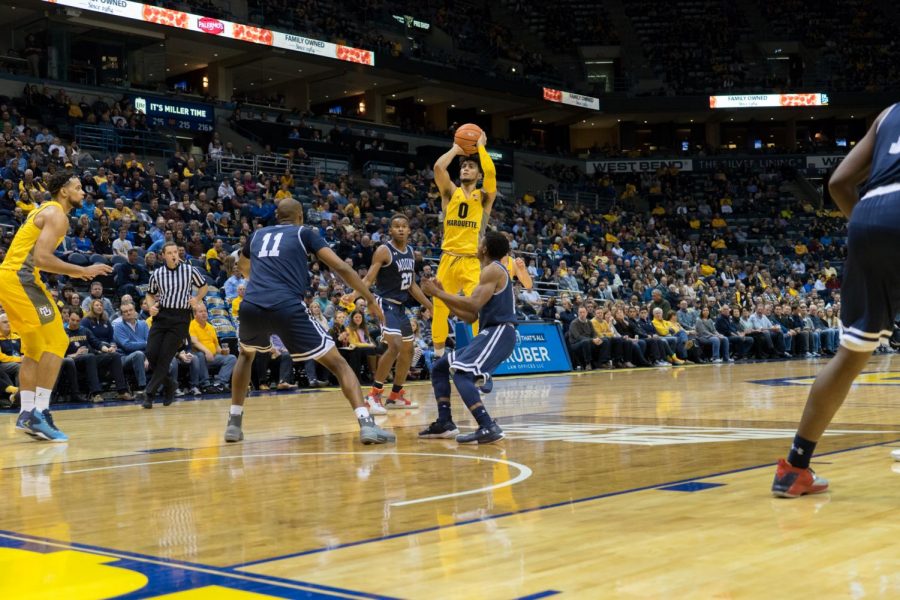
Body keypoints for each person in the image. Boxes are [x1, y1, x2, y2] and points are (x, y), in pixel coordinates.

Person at [773, 104, 900, 497]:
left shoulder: (888, 113)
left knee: (852, 352)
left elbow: (838, 182)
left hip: (870, 214)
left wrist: (869, 228)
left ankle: (794, 467)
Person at [223, 199, 393, 445]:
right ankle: (367, 425)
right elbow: (340, 268)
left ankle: (234, 424)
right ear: (300, 216)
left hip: (252, 306)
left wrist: (260, 277)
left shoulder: (258, 234)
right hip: (286, 307)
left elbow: (242, 265)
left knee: (246, 356)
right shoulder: (304, 233)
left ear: (277, 216)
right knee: (339, 364)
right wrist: (369, 298)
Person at [3, 170, 112, 441]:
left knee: (35, 349)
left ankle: (26, 413)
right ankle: (40, 412)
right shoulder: (57, 215)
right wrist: (81, 271)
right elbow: (41, 258)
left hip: (12, 278)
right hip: (22, 278)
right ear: (64, 191)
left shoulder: (45, 211)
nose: (83, 192)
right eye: (77, 187)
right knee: (58, 340)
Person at [418, 231, 516, 444]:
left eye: (480, 241)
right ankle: (445, 422)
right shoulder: (488, 271)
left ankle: (487, 425)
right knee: (440, 368)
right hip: (490, 332)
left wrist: (438, 294)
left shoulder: (492, 270)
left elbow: (472, 305)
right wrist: (442, 294)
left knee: (462, 374)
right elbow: (471, 317)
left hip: (499, 332)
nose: (477, 243)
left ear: (485, 249)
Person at [346, 214, 433, 413]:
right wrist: (353, 295)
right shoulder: (384, 250)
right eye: (396, 226)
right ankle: (373, 396)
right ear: (390, 231)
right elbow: (368, 279)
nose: (401, 229)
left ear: (410, 230)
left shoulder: (410, 252)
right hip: (385, 303)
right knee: (393, 346)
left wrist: (430, 305)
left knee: (409, 351)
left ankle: (396, 396)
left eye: (404, 226)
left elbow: (411, 285)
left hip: (402, 307)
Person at [431, 131, 496, 358]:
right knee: (440, 307)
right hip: (448, 257)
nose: (465, 169)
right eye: (463, 167)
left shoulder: (485, 197)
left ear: (478, 174)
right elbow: (439, 169)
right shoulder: (450, 192)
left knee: (478, 308)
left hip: (472, 261)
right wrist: (456, 149)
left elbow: (491, 173)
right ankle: (438, 358)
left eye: (470, 166)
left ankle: (478, 360)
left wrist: (481, 148)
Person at [142, 242, 208, 408]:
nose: (173, 255)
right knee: (151, 352)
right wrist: (151, 307)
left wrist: (197, 299)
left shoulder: (189, 270)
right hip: (162, 315)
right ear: (163, 255)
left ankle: (149, 394)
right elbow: (149, 294)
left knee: (165, 357)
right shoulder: (157, 273)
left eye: (175, 252)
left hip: (180, 318)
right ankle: (170, 384)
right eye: (169, 252)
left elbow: (204, 286)